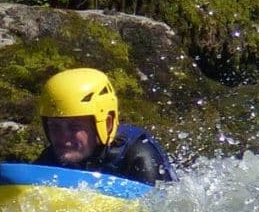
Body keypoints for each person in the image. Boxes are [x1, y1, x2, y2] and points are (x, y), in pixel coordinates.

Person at [35, 67, 176, 185]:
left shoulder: (140, 156)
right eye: (55, 127)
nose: (63, 137)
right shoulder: (52, 158)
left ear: (106, 124)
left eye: (74, 127)